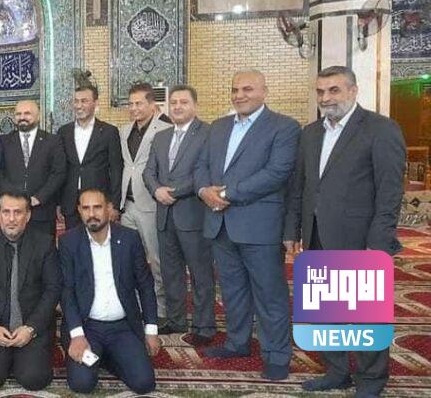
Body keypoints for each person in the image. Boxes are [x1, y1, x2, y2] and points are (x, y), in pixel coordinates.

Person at [284, 66, 405, 397]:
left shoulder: (380, 129)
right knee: (326, 311)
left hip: (362, 240)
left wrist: (378, 243)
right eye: (320, 91)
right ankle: (337, 371)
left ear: (353, 91)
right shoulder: (310, 133)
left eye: (334, 90)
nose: (326, 98)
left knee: (365, 315)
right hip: (317, 236)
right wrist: (293, 229)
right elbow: (300, 187)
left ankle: (371, 380)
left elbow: (390, 192)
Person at [194, 69, 299, 380]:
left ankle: (276, 355)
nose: (239, 95)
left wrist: (226, 193)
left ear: (265, 91)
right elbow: (201, 165)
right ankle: (237, 343)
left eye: (247, 89)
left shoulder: (284, 127)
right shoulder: (218, 127)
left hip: (259, 227)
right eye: (235, 89)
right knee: (232, 291)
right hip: (220, 224)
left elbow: (277, 172)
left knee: (269, 295)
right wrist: (203, 190)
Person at [59, 188, 159, 394]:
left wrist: (151, 331)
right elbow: (66, 291)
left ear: (109, 209)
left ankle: (108, 357)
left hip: (122, 327)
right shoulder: (69, 242)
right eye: (86, 208)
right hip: (87, 327)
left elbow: (145, 285)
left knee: (144, 383)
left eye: (97, 207)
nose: (91, 214)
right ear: (79, 211)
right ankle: (100, 356)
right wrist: (77, 335)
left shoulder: (129, 238)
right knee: (82, 383)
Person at [0, 191, 60, 390]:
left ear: (28, 215)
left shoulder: (44, 244)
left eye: (18, 212)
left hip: (31, 328)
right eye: (6, 212)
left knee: (34, 379)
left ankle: (22, 360)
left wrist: (31, 328)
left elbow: (52, 290)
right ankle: (5, 359)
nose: (11, 218)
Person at [143, 85, 215, 344]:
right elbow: (148, 171)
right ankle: (176, 321)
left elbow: (204, 172)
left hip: (193, 215)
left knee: (200, 274)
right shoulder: (161, 137)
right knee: (171, 272)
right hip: (164, 216)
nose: (177, 107)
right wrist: (156, 190)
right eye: (173, 102)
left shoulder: (208, 133)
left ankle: (204, 326)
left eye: (183, 102)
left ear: (195, 105)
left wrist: (173, 192)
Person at [118, 83, 171, 320]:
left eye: (139, 103)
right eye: (130, 104)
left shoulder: (165, 129)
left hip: (150, 205)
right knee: (129, 258)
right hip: (127, 205)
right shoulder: (124, 131)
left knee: (156, 260)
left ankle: (161, 309)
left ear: (152, 104)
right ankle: (136, 305)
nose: (134, 108)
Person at [0, 100, 67, 239]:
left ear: (38, 116)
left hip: (42, 211)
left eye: (27, 113)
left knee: (44, 249)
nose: (22, 117)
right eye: (18, 114)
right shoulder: (3, 141)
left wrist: (39, 198)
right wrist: (13, 198)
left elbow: (58, 173)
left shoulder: (53, 141)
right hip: (12, 214)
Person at [59, 84, 123, 230]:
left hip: (99, 202)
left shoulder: (109, 132)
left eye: (84, 101)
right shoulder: (64, 132)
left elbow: (116, 169)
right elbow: (60, 168)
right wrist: (59, 203)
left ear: (95, 103)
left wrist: (114, 203)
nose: (79, 106)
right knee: (73, 241)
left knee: (99, 240)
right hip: (70, 202)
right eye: (76, 101)